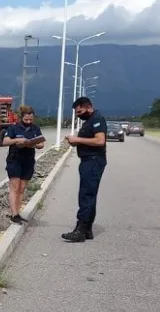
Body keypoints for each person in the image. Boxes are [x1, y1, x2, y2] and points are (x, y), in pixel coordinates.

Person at [61, 96, 107, 242]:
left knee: (86, 195)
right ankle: (87, 230)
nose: (78, 115)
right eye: (76, 113)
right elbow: (89, 140)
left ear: (88, 107)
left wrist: (77, 139)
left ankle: (80, 230)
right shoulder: (89, 120)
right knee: (89, 195)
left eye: (80, 112)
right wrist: (75, 142)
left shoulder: (97, 119)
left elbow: (100, 140)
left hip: (93, 161)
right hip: (89, 160)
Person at [2, 105, 44, 224]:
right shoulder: (13, 128)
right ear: (21, 118)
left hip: (28, 160)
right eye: (26, 119)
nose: (29, 122)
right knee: (15, 187)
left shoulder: (35, 129)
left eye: (31, 119)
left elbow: (41, 144)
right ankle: (14, 214)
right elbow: (5, 141)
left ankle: (18, 212)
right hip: (15, 159)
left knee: (21, 188)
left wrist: (31, 144)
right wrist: (17, 140)